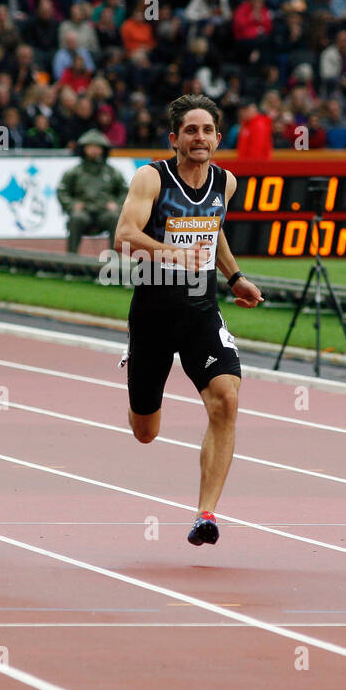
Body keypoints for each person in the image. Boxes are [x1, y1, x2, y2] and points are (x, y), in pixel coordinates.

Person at [113, 94, 265, 546]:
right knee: (146, 431)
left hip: (202, 308)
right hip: (153, 313)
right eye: (191, 131)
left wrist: (234, 276)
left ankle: (206, 514)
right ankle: (136, 370)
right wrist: (174, 253)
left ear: (219, 138)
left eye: (207, 131)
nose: (199, 138)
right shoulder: (151, 177)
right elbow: (124, 236)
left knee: (227, 400)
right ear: (174, 137)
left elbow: (213, 229)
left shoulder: (226, 182)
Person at [57, 128, 126, 254]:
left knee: (115, 218)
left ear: (103, 149)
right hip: (84, 212)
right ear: (84, 149)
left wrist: (117, 205)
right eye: (90, 147)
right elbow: (62, 190)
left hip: (104, 212)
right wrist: (71, 205)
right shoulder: (75, 172)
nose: (94, 150)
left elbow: (125, 191)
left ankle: (115, 260)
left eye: (97, 147)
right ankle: (70, 260)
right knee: (76, 218)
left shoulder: (111, 172)